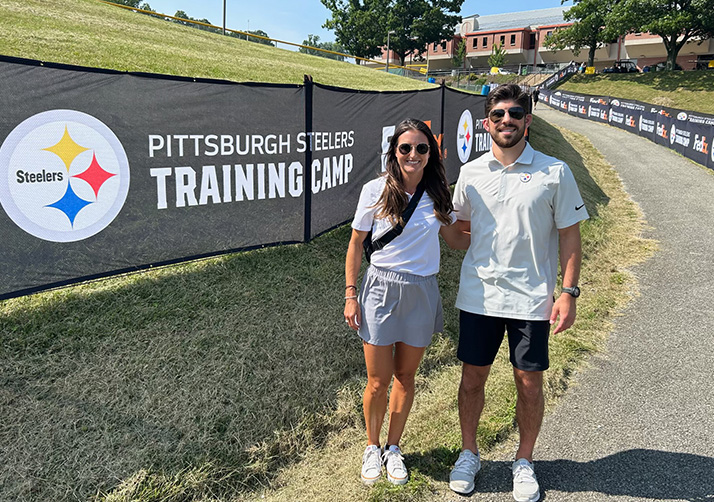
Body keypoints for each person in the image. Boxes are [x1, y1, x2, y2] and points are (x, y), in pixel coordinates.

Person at [448, 84, 588, 502]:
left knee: (529, 383)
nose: (505, 120)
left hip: (533, 299)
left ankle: (524, 461)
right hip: (479, 297)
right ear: (485, 123)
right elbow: (461, 238)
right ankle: (469, 453)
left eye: (514, 114)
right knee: (472, 379)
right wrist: (438, 224)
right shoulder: (470, 173)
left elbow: (570, 236)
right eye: (497, 115)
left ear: (527, 121)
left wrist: (568, 293)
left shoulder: (555, 171)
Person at [344, 118, 468, 486]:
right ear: (394, 153)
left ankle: (394, 448)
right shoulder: (375, 190)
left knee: (405, 376)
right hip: (381, 289)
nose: (413, 155)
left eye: (421, 148)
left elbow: (455, 240)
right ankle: (372, 447)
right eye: (405, 148)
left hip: (422, 291)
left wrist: (496, 233)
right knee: (378, 380)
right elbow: (355, 245)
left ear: (432, 153)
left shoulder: (439, 194)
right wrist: (351, 294)